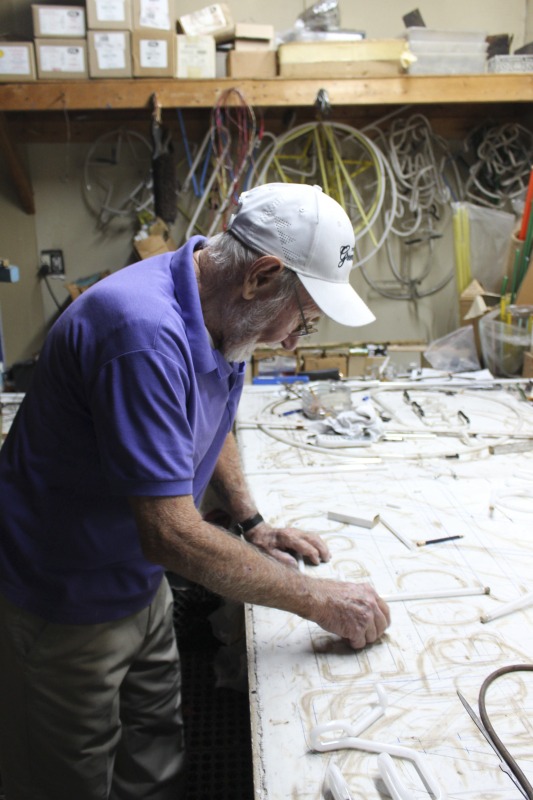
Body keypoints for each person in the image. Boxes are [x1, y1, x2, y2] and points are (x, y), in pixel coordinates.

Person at [0, 182, 390, 800]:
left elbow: (209, 414)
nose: (294, 339)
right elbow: (172, 534)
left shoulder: (219, 306)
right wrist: (316, 600)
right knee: (69, 778)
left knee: (154, 752)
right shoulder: (143, 334)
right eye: (304, 318)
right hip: (61, 598)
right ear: (262, 276)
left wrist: (249, 518)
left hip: (136, 582)